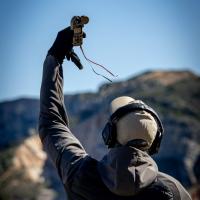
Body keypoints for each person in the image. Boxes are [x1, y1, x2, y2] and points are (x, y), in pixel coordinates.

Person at [39, 27, 192, 200]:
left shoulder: (80, 173)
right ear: (154, 143)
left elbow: (51, 123)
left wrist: (54, 57)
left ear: (109, 135)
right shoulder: (174, 191)